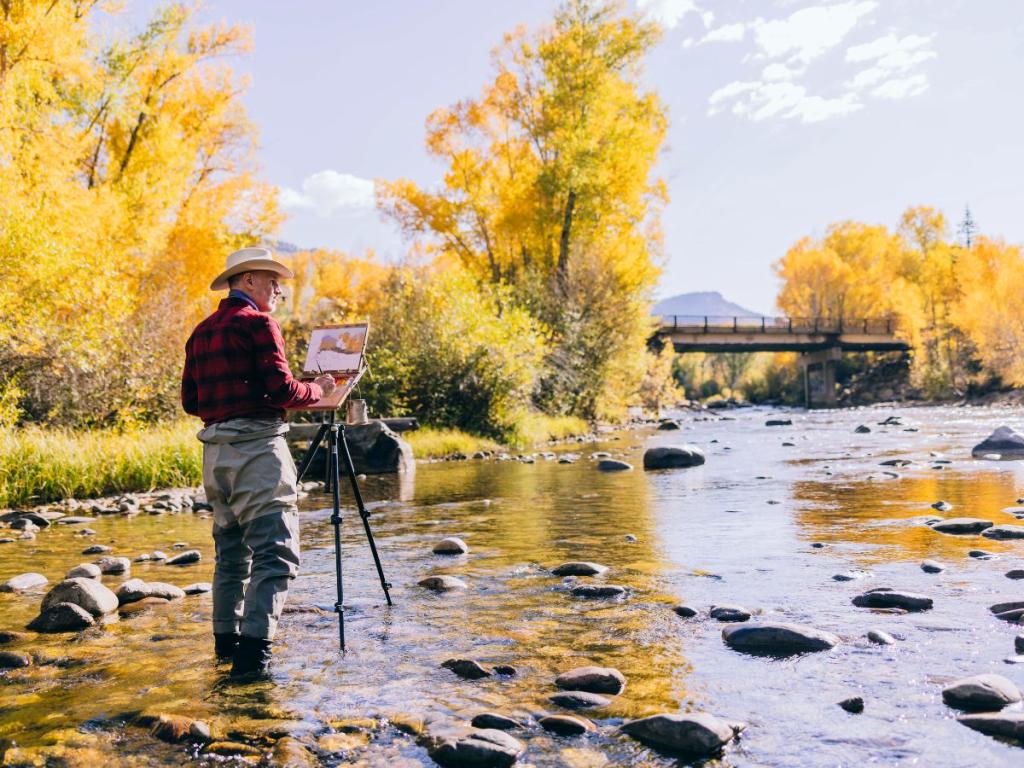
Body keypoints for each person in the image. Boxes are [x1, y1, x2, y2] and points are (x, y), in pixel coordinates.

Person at [181, 247, 336, 677]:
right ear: (248, 280)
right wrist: (318, 389)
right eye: (272, 281)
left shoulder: (200, 332)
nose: (278, 289)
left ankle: (224, 646)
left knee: (231, 555)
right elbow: (284, 391)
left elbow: (191, 402)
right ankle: (252, 660)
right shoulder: (259, 323)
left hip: (215, 457)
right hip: (257, 453)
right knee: (277, 554)